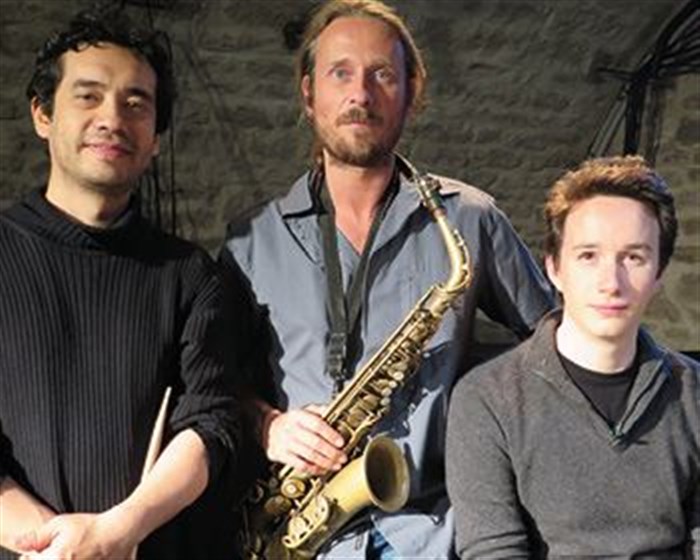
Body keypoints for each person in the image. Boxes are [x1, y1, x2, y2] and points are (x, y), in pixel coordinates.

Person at [220, 0, 554, 557]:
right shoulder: (250, 240)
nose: (361, 94)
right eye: (340, 73)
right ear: (309, 94)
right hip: (296, 533)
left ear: (412, 92)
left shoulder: (469, 218)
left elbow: (558, 343)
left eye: (383, 74)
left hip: (434, 534)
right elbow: (212, 383)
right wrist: (267, 425)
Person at [0, 7, 243, 560]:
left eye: (136, 104)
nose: (112, 118)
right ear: (42, 114)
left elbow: (212, 423)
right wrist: (52, 543)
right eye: (88, 96)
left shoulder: (189, 274)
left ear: (155, 138)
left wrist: (115, 532)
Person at [446, 156, 700, 558]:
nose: (610, 282)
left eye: (633, 257)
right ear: (554, 268)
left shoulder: (694, 393)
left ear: (658, 275)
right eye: (588, 256)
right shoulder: (485, 399)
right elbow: (494, 551)